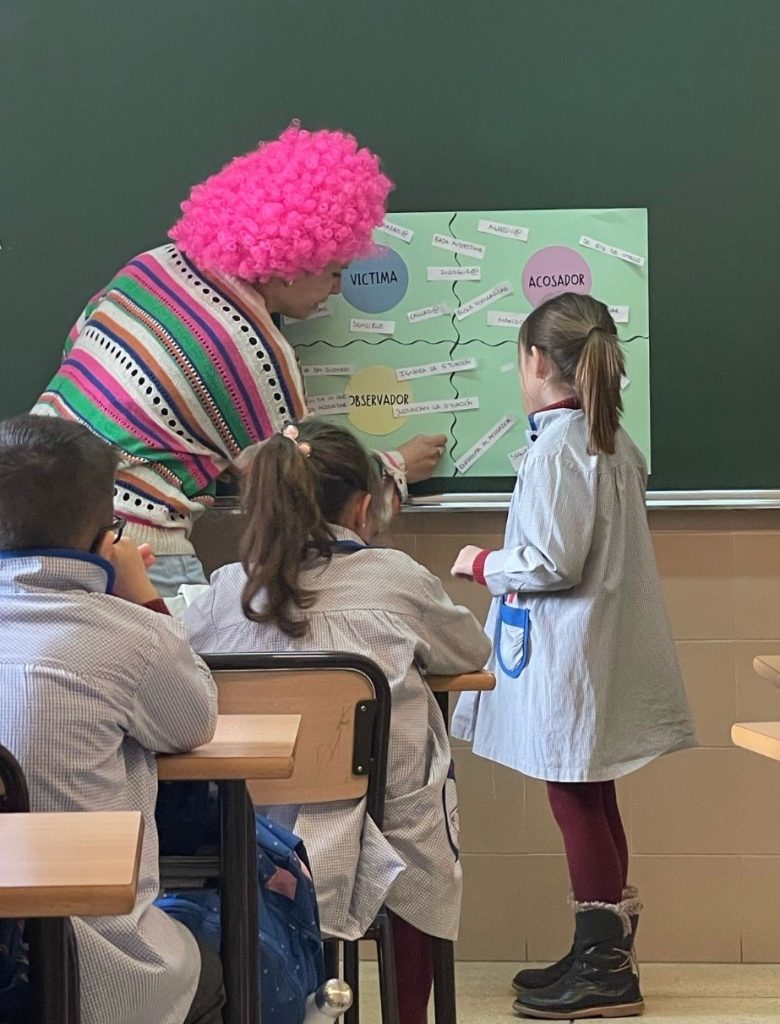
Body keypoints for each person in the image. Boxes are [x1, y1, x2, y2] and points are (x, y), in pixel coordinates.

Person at [32, 124, 446, 594]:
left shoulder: (149, 267)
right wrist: (394, 469)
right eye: (335, 271)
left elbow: (76, 350)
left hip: (34, 516)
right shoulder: (250, 350)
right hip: (133, 549)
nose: (337, 289)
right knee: (174, 664)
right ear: (295, 265)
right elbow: (298, 479)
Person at [179, 418, 492, 1024]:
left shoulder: (226, 592)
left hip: (258, 829)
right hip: (382, 821)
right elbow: (470, 653)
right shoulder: (397, 579)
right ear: (363, 505)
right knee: (420, 815)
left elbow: (181, 664)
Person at [450, 292, 696, 1020]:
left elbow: (552, 561)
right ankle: (602, 946)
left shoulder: (561, 447)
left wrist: (481, 564)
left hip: (571, 651)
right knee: (591, 791)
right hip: (590, 648)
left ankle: (605, 968)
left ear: (533, 361)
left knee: (574, 795)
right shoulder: (610, 439)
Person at [0, 415, 223, 1024]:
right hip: (94, 974)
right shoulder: (131, 638)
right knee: (223, 954)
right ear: (106, 540)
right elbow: (195, 721)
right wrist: (143, 598)